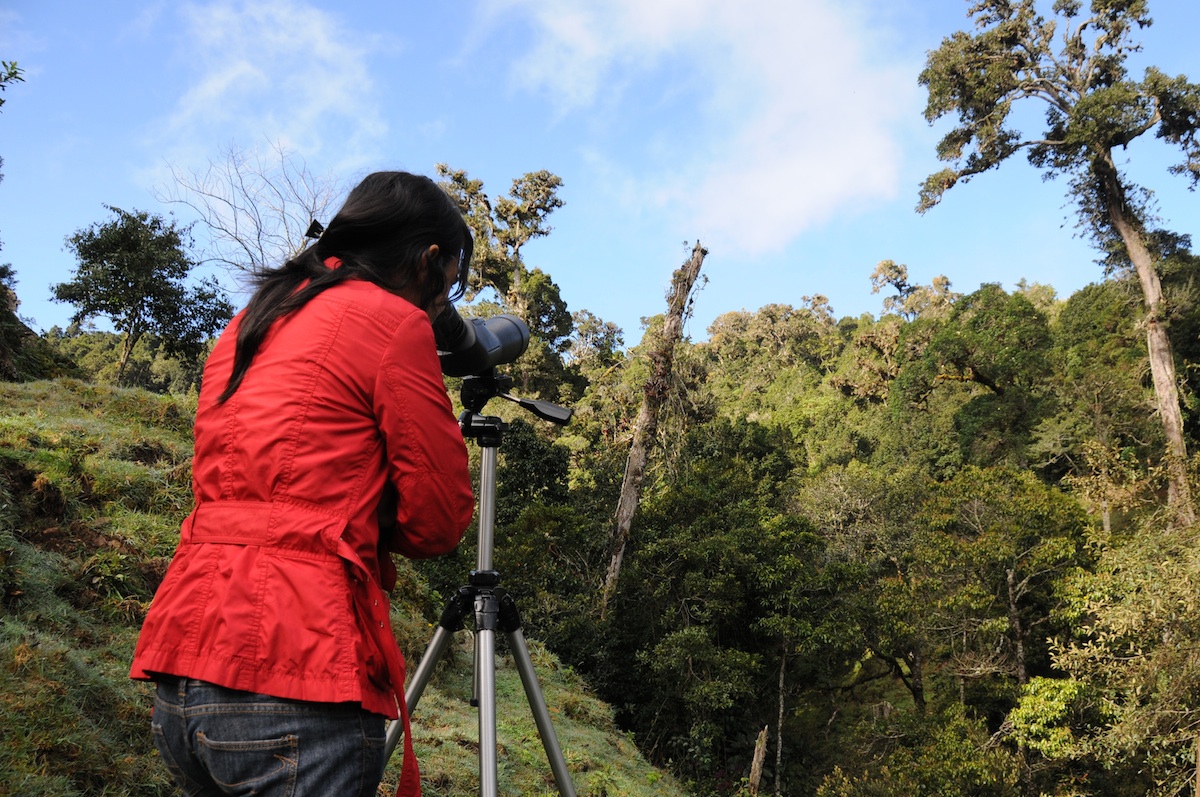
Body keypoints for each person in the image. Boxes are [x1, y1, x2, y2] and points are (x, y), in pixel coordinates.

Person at [130, 171, 476, 797]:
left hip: (183, 666)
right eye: (450, 282)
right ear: (429, 261)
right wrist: (365, 517)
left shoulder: (249, 321)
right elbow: (439, 519)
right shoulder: (393, 322)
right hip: (299, 675)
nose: (441, 303)